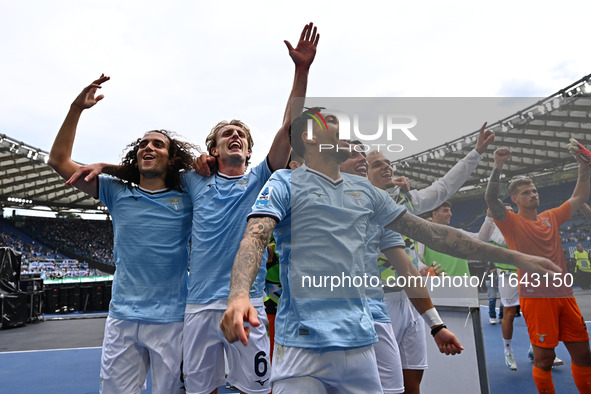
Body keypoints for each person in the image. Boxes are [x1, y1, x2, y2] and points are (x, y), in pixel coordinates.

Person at [220, 108, 559, 392]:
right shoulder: (285, 182)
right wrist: (238, 295)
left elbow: (435, 234)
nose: (348, 140)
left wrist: (516, 256)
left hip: (361, 341)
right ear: (309, 138)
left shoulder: (369, 196)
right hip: (302, 346)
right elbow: (256, 236)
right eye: (334, 128)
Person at [49, 75, 196, 394]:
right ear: (136, 154)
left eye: (158, 144)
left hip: (171, 319)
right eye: (144, 143)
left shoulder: (187, 198)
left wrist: (111, 166)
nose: (149, 146)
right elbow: (58, 161)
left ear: (171, 159)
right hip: (123, 318)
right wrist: (76, 109)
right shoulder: (116, 193)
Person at [340, 142, 463, 393]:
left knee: (411, 382)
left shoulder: (399, 204)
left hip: (412, 300)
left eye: (387, 163)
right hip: (376, 302)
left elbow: (445, 186)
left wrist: (436, 324)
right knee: (376, 385)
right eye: (377, 164)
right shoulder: (340, 206)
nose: (385, 167)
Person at [485, 147, 591, 393]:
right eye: (526, 192)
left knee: (584, 356)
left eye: (534, 190)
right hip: (537, 298)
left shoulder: (550, 217)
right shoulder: (511, 222)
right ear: (515, 199)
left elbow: (580, 195)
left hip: (565, 296)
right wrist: (497, 166)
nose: (533, 194)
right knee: (544, 359)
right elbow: (491, 200)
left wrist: (582, 165)